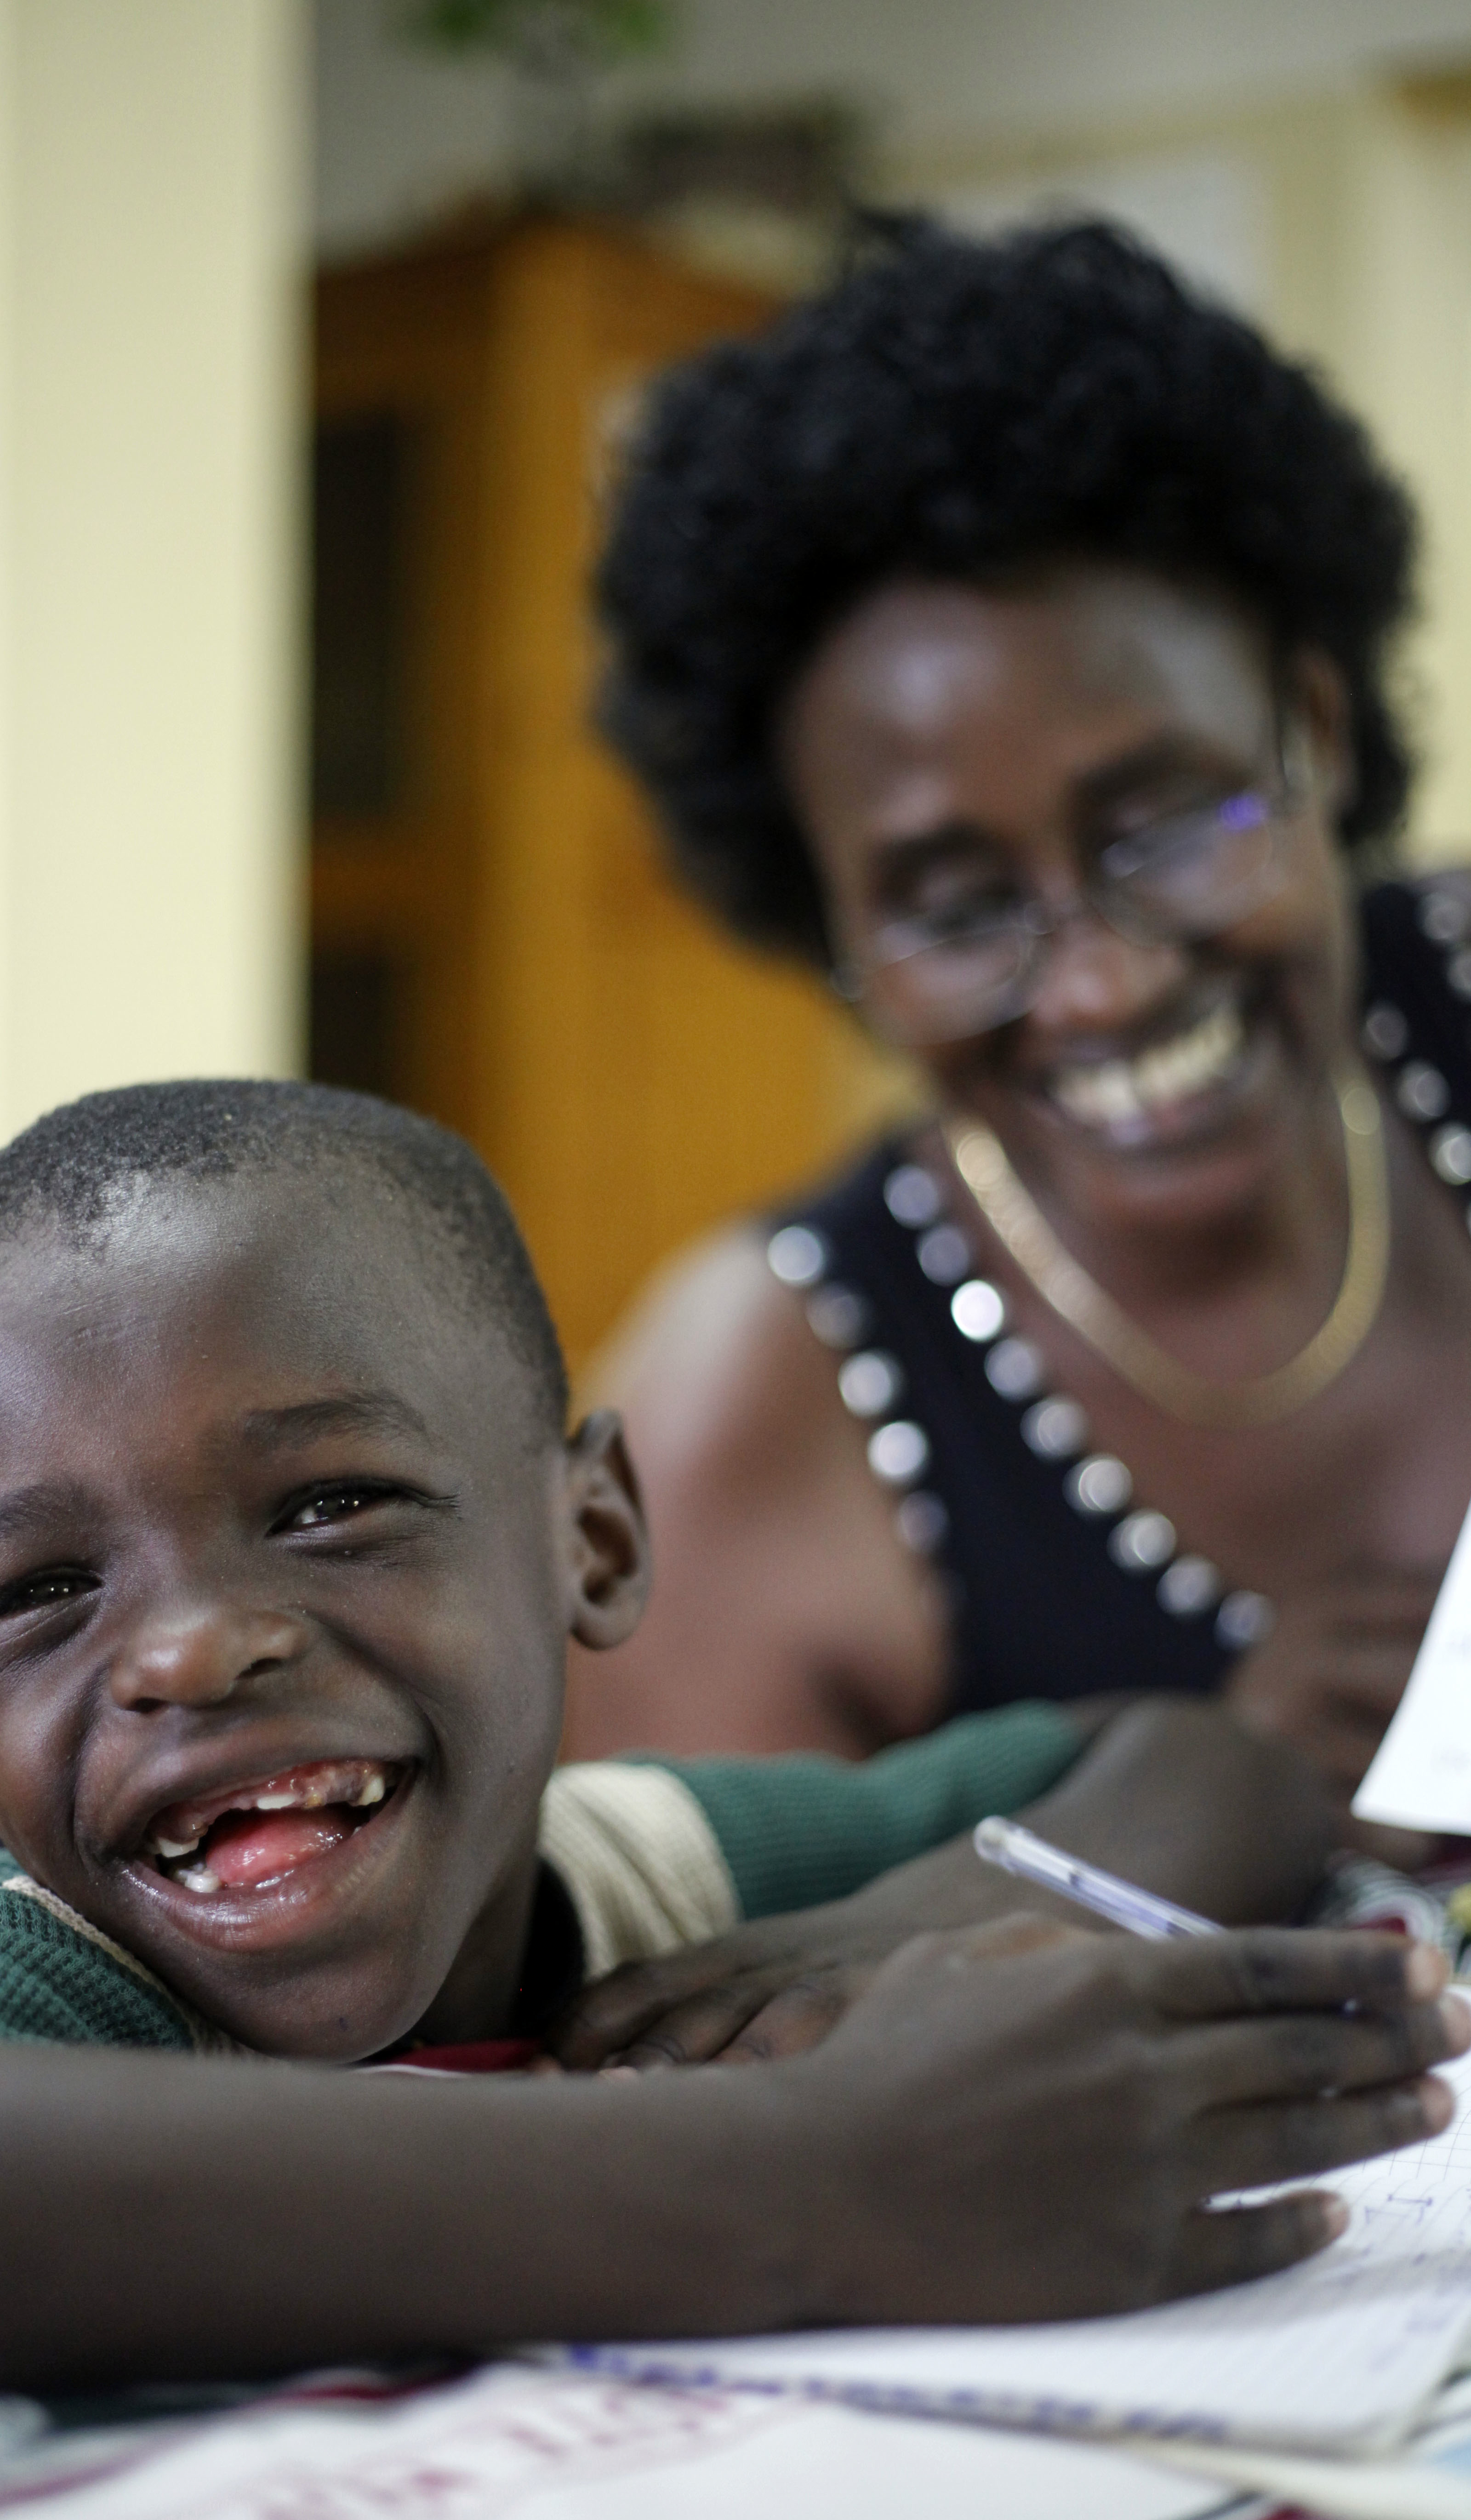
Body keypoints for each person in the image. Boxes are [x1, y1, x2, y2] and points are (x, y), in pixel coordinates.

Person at [0, 1077, 1458, 2397]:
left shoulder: (652, 1876)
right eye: (40, 1594)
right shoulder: (42, 1977)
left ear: (597, 1539)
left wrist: (922, 1920)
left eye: (333, 1503)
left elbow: (1195, 1759)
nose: (190, 1650)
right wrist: (812, 2180)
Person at [568, 214, 1471, 1805]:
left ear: (1314, 733)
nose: (1105, 980)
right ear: (829, 917)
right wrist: (1159, 1829)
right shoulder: (757, 1415)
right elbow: (704, 2037)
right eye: (957, 905)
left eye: (1170, 822)